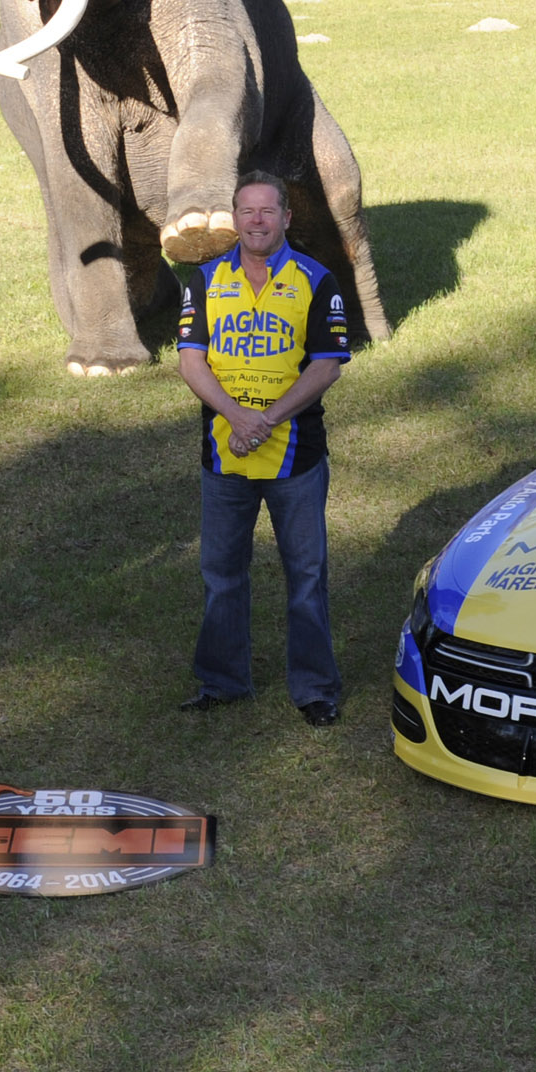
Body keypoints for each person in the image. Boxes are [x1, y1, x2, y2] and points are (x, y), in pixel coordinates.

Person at [174, 171, 352, 724]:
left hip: (296, 455)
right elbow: (190, 360)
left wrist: (269, 418)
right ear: (235, 216)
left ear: (286, 218)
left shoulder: (318, 280)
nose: (257, 221)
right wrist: (236, 417)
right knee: (221, 572)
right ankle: (223, 682)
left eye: (268, 211)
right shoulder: (203, 280)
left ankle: (315, 689)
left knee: (306, 574)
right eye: (247, 211)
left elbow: (326, 365)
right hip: (224, 452)